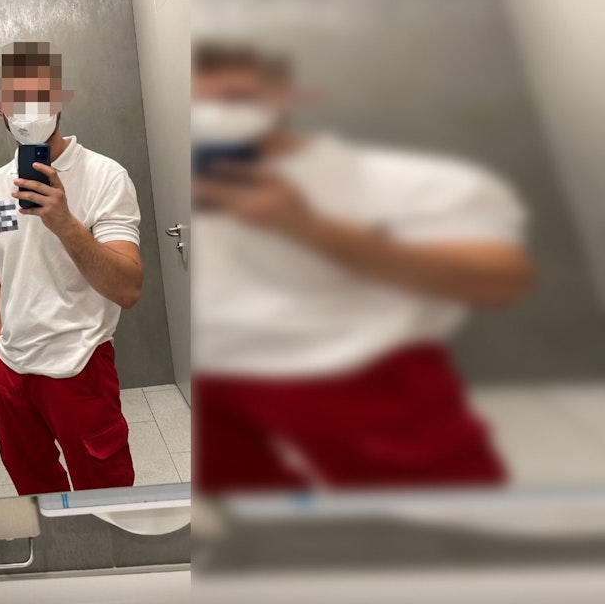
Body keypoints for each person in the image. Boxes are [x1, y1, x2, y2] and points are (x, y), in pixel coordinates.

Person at [191, 41, 535, 493]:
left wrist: (307, 227)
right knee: (251, 526)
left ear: (287, 96)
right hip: (214, 389)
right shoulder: (186, 183)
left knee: (443, 521)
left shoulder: (407, 181)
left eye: (235, 98)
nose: (213, 114)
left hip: (364, 378)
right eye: (198, 102)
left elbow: (501, 282)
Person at [0, 41, 144, 495]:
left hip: (79, 365)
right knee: (35, 495)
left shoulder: (106, 177)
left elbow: (129, 287)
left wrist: (65, 223)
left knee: (106, 496)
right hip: (12, 370)